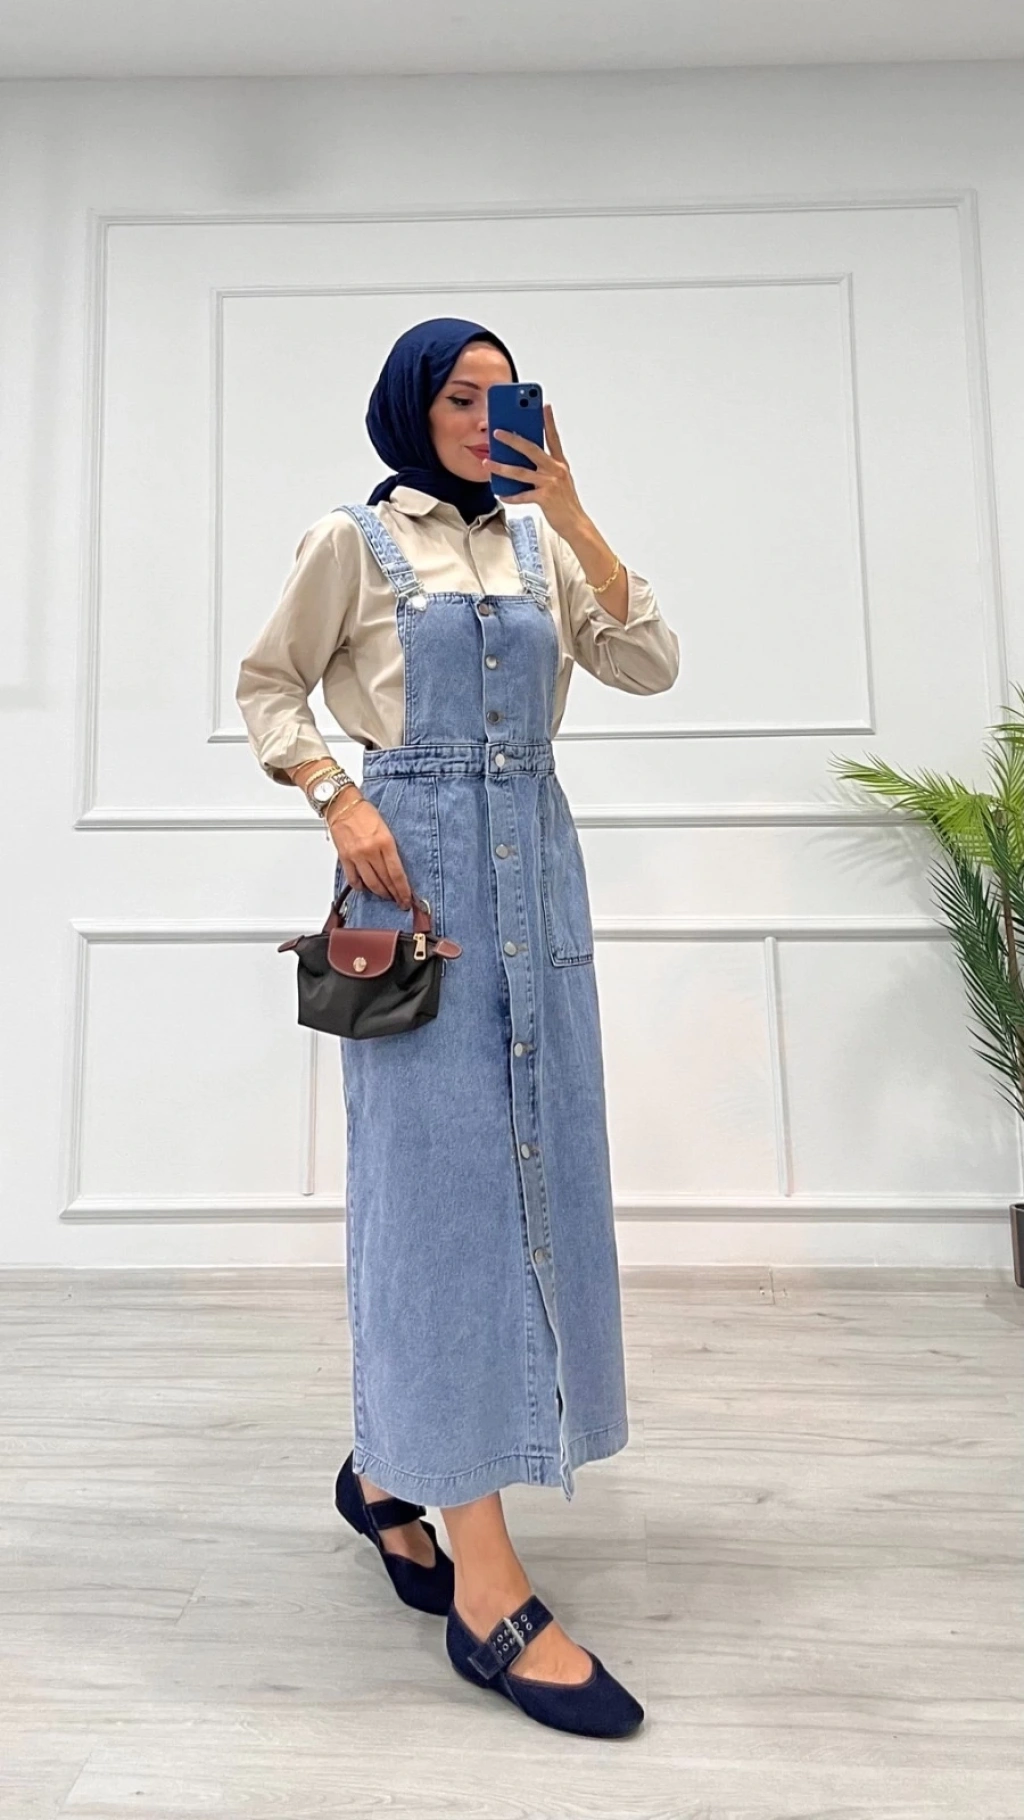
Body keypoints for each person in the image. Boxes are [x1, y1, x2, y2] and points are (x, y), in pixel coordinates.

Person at [235, 317, 680, 1738]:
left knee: (542, 1183)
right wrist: (337, 798)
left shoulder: (545, 550)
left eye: (507, 395)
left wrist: (576, 508)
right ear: (411, 411)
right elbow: (266, 685)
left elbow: (651, 664)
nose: (488, 417)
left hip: (536, 874)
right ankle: (486, 1586)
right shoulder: (353, 541)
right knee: (443, 1209)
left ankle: (389, 1474)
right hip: (414, 876)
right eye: (462, 397)